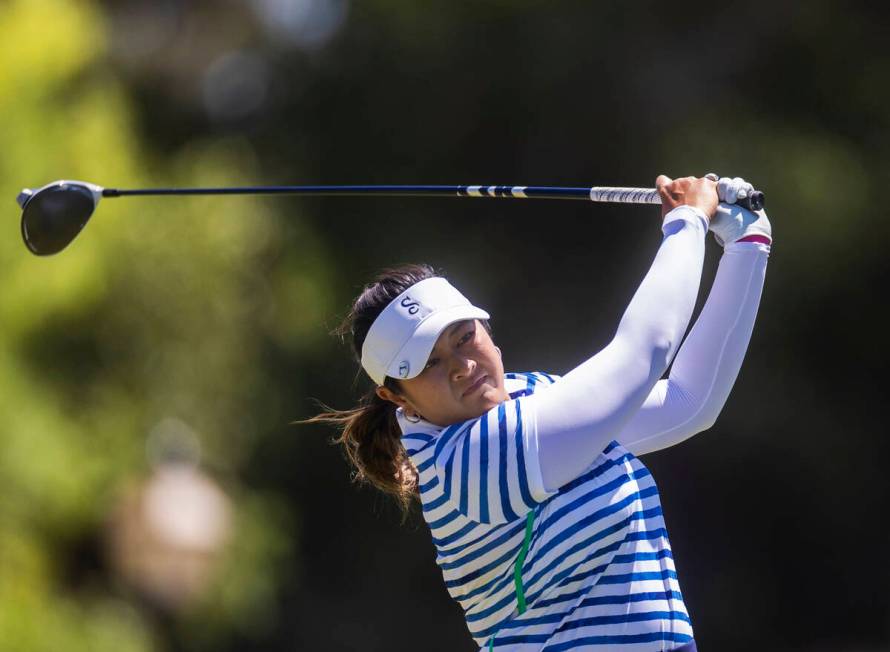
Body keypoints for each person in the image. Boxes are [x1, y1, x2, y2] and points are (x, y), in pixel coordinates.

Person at [309, 174, 772, 651]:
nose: (462, 367)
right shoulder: (469, 462)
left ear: (485, 326)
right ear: (397, 398)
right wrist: (687, 221)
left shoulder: (531, 396)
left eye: (464, 337)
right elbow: (643, 352)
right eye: (428, 364)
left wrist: (747, 244)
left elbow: (686, 402)